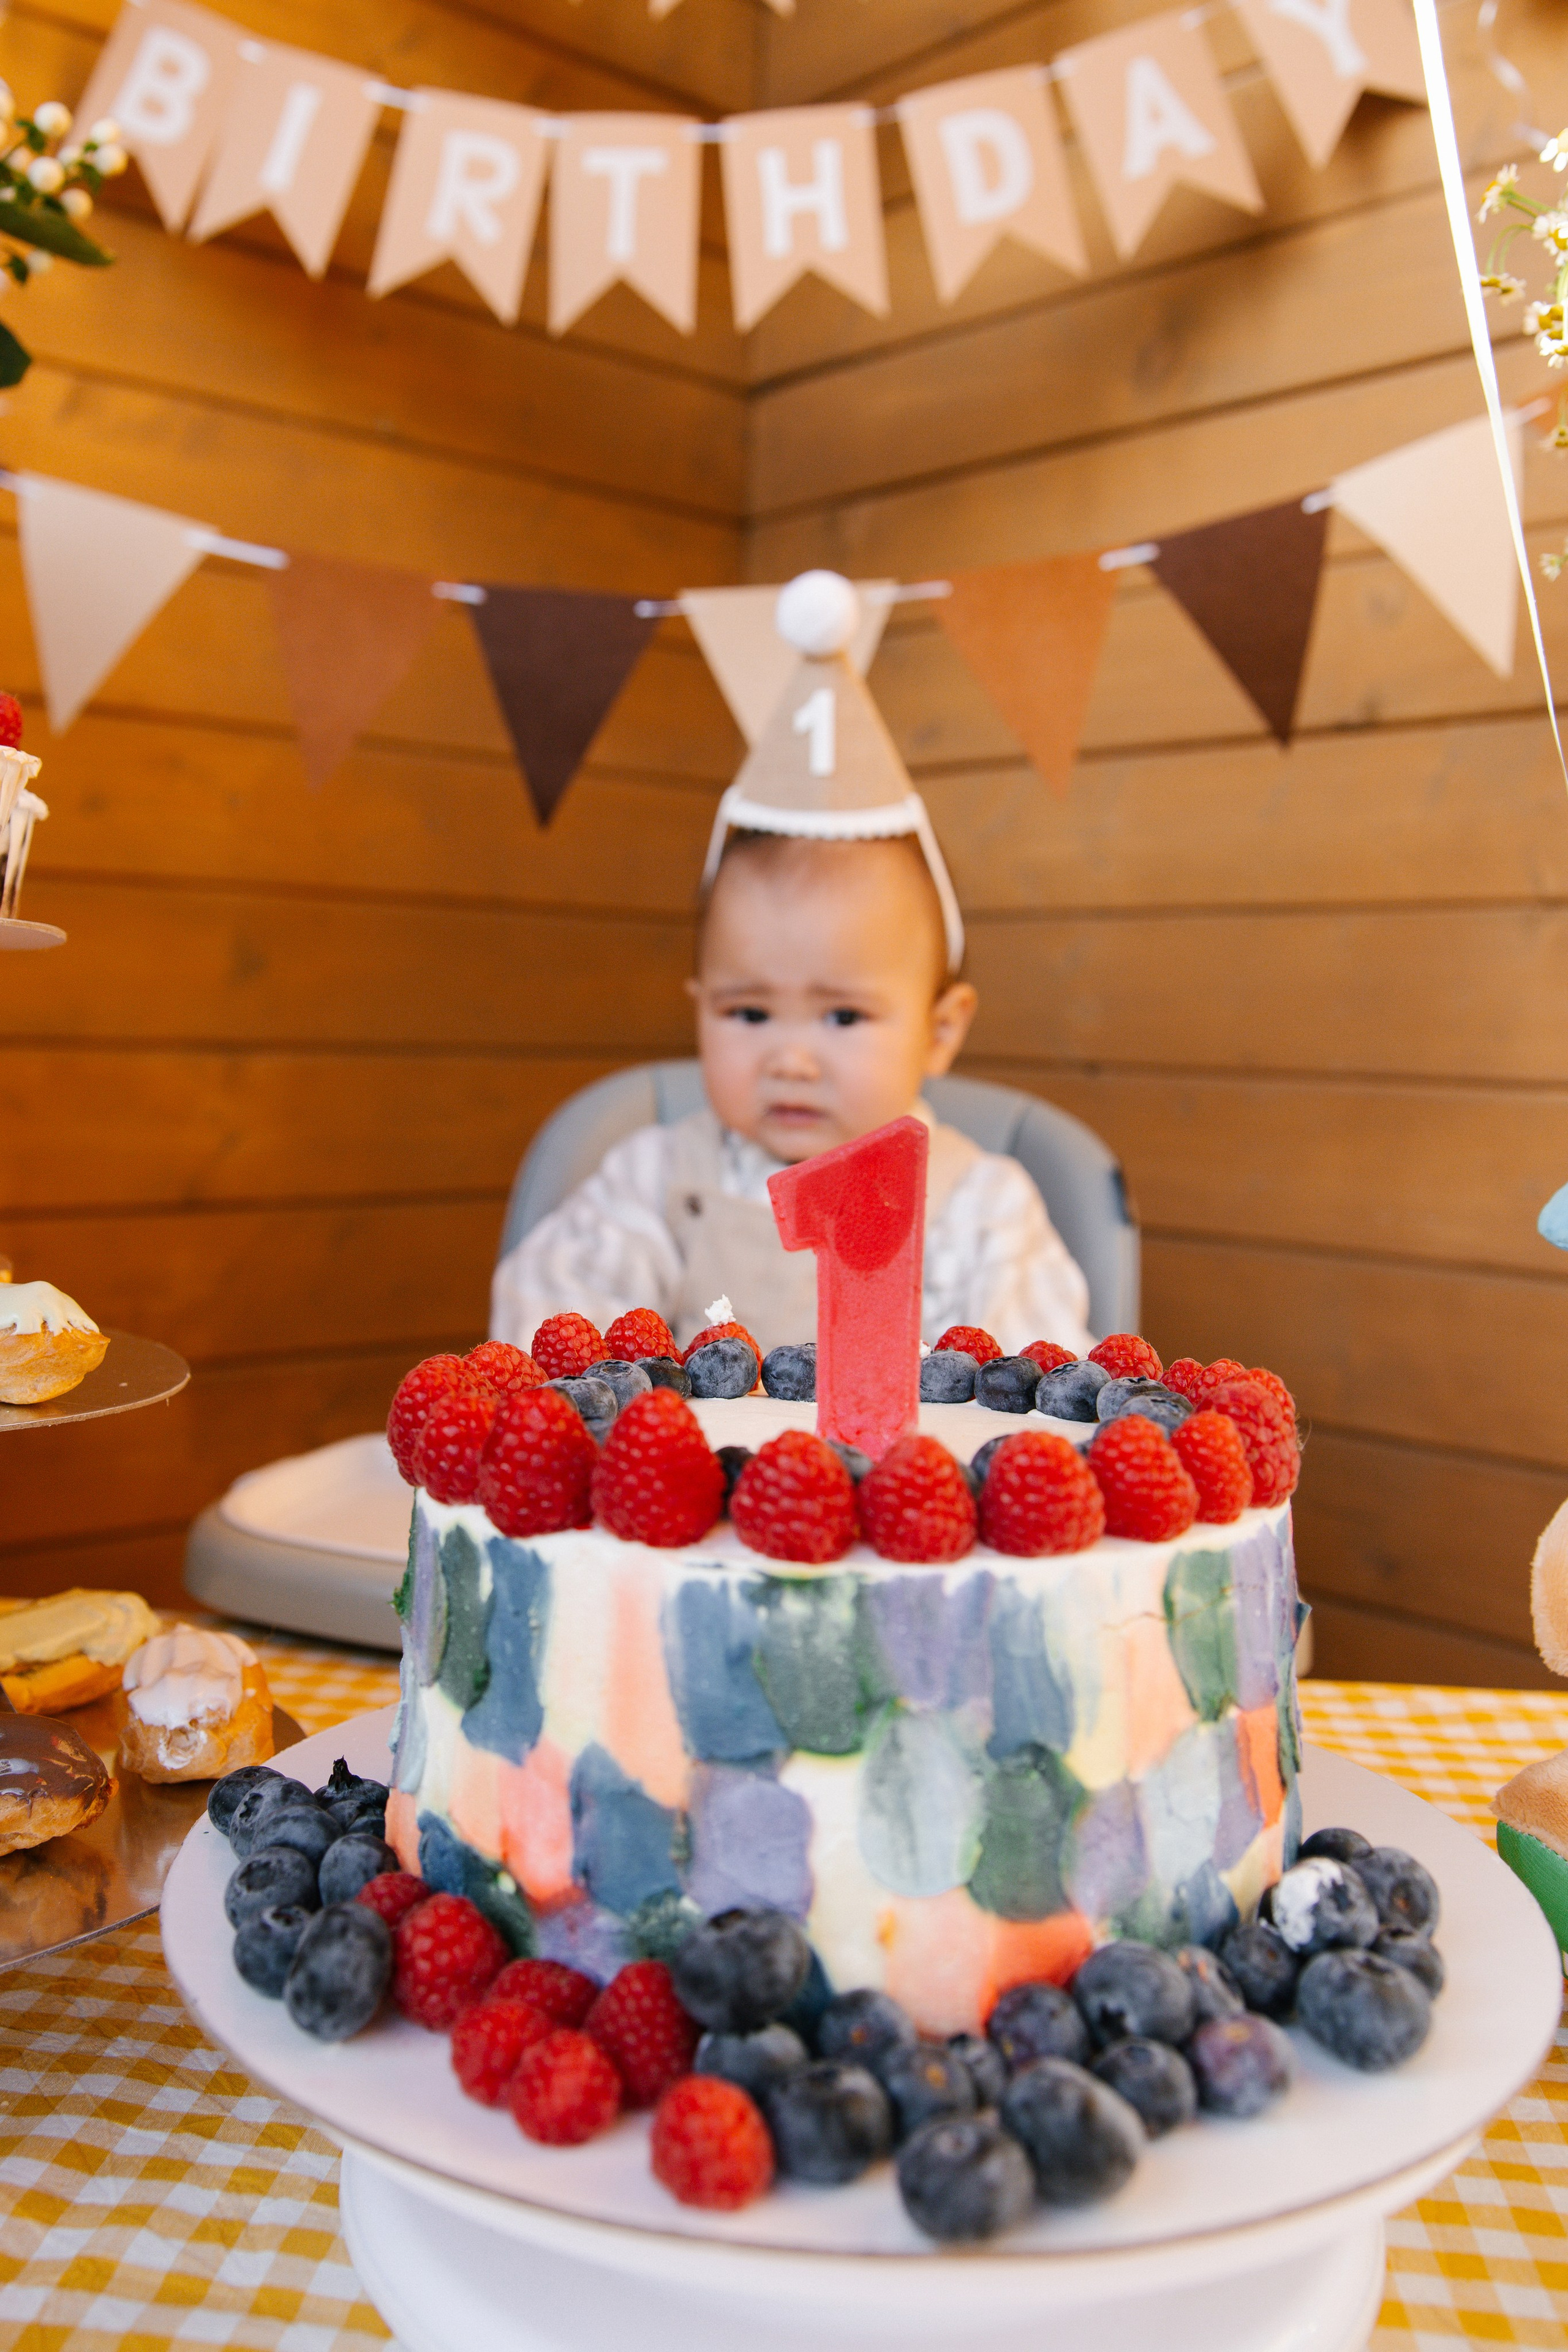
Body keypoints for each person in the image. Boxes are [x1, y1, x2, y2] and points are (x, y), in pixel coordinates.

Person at [490, 827, 1092, 1360]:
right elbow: (547, 1338)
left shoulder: (983, 1207)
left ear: (939, 1031)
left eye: (843, 1018)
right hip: (695, 1482)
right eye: (750, 1013)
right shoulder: (655, 1179)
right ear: (700, 1010)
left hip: (903, 1484)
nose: (791, 1062)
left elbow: (1040, 1400)